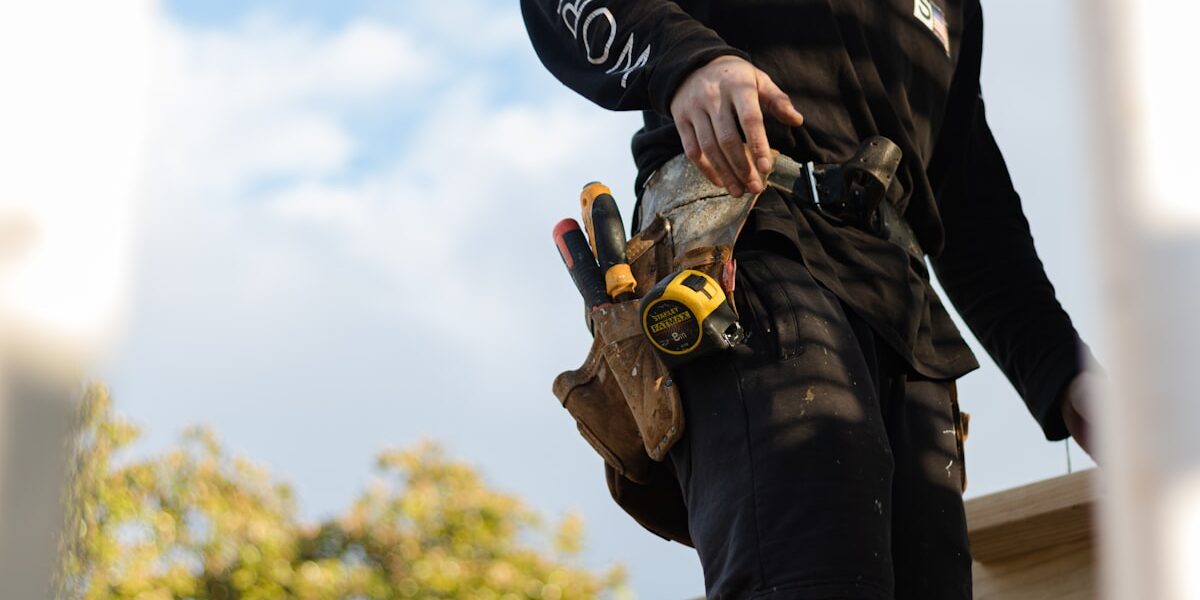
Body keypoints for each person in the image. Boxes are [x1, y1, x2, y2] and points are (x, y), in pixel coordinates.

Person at [521, 1, 1096, 598]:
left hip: (907, 326)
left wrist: (1063, 372)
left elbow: (970, 208)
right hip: (752, 248)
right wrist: (685, 60)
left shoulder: (957, 11)